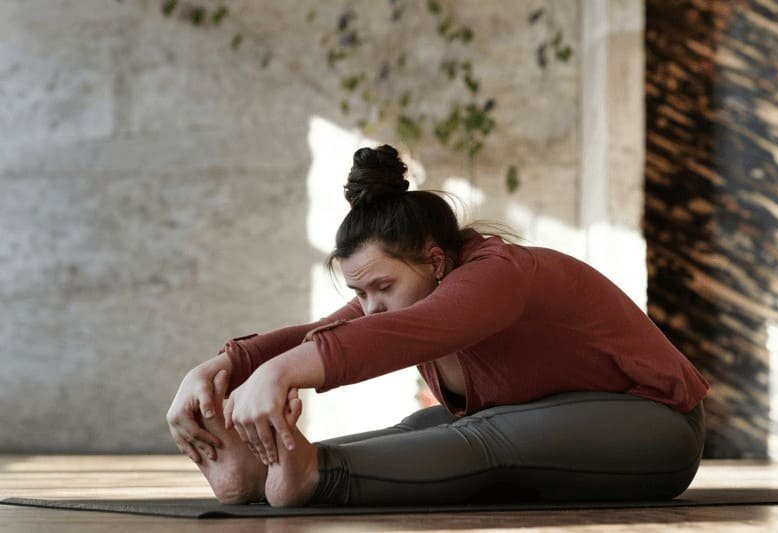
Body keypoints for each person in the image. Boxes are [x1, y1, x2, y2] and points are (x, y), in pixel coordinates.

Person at [166, 144, 709, 507]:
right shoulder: (404, 292)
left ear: (436, 260)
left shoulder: (496, 275)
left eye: (381, 288)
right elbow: (324, 332)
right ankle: (265, 475)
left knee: (485, 437)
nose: (370, 307)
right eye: (360, 292)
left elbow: (385, 339)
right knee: (420, 428)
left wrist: (280, 375)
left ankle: (316, 474)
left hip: (658, 430)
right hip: (564, 426)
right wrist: (225, 365)